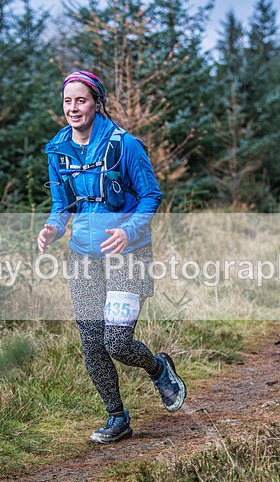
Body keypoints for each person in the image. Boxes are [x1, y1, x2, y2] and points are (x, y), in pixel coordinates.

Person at [36, 70, 186, 444]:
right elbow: (61, 204)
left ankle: (158, 368)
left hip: (128, 255)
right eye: (68, 101)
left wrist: (128, 231)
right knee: (92, 342)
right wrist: (53, 227)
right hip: (83, 257)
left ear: (97, 102)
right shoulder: (57, 151)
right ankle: (116, 417)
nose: (73, 108)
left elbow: (151, 195)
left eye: (81, 100)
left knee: (117, 341)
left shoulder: (125, 145)